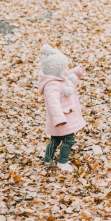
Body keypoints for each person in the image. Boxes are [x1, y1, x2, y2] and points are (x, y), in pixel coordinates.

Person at [38, 44, 86, 172]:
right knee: (69, 140)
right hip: (62, 120)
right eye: (65, 67)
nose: (67, 69)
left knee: (55, 139)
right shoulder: (51, 86)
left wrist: (76, 71)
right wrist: (59, 119)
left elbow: (66, 75)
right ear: (57, 70)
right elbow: (53, 104)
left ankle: (47, 159)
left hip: (64, 118)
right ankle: (62, 162)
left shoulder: (57, 77)